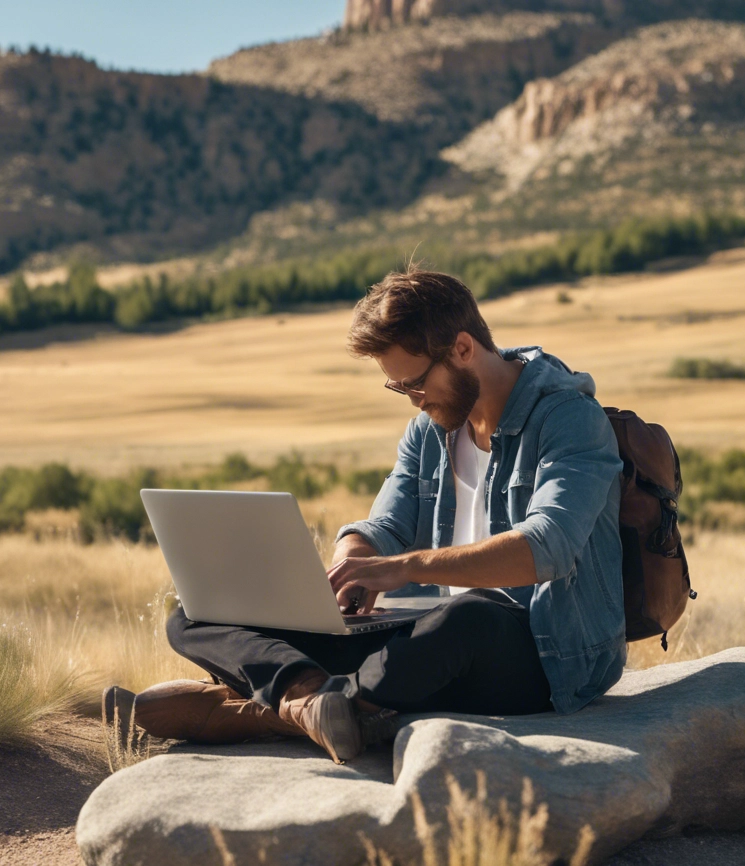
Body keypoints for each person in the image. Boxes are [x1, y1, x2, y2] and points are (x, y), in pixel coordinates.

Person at [104, 268, 626, 764]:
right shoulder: (431, 429)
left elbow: (546, 547)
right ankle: (312, 701)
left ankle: (261, 713)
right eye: (397, 388)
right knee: (198, 609)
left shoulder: (569, 420)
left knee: (468, 616)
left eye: (415, 383)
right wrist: (349, 566)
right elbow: (384, 528)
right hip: (426, 646)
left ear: (463, 348)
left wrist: (405, 568)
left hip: (543, 652)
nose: (412, 400)